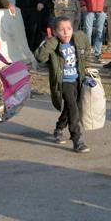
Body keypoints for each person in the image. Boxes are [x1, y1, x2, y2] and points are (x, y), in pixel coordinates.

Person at [34, 16, 92, 153]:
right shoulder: (53, 44)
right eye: (61, 30)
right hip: (64, 81)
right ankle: (77, 139)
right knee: (73, 108)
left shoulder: (78, 40)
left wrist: (88, 69)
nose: (66, 33)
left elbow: (87, 52)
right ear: (54, 32)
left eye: (69, 29)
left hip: (77, 79)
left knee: (70, 107)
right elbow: (40, 57)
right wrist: (51, 42)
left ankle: (59, 128)